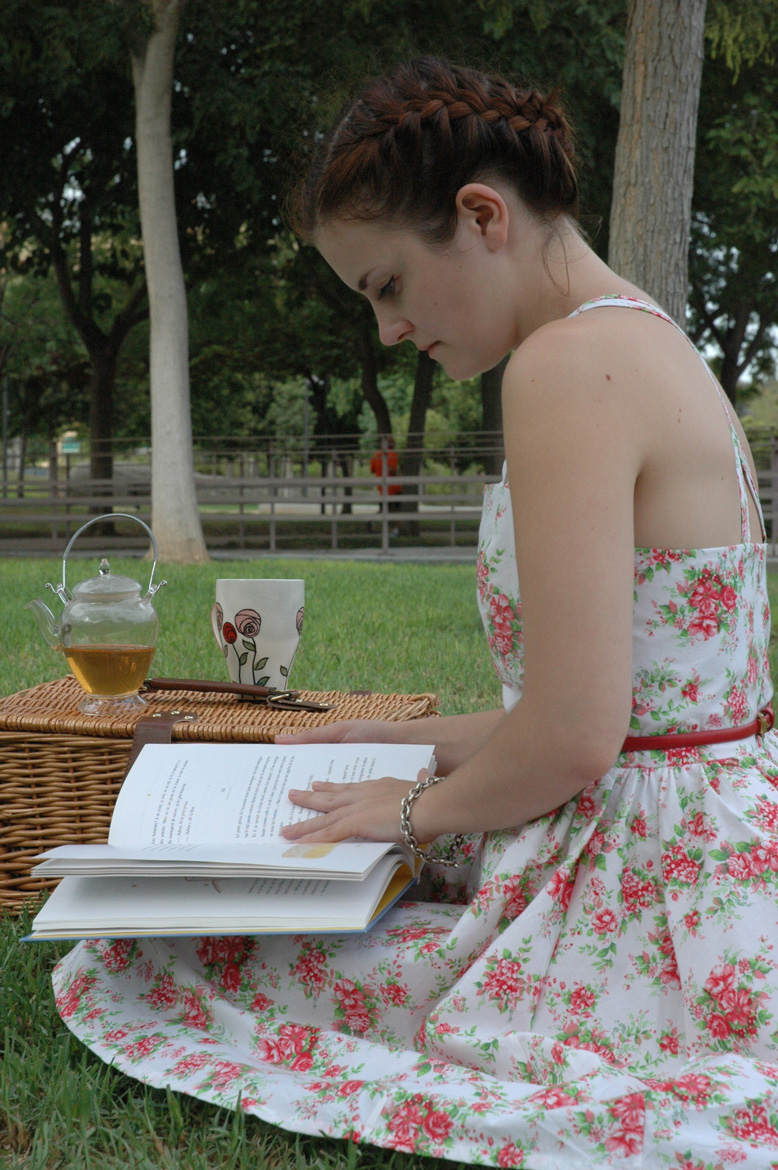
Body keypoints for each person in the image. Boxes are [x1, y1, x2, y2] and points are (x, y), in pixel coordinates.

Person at [52, 57, 778, 1166]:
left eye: (386, 285)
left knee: (189, 956)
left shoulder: (564, 369)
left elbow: (578, 737)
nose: (387, 330)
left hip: (654, 882)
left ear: (480, 215)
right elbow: (636, 716)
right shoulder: (642, 340)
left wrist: (402, 813)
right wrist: (393, 742)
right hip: (710, 838)